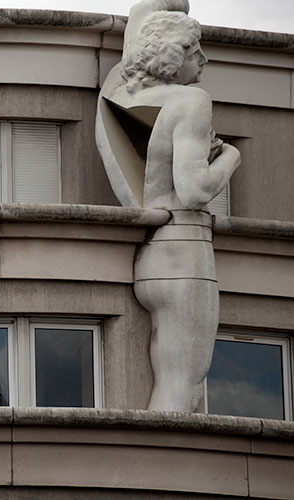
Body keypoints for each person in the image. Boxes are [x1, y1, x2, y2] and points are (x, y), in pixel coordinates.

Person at [96, 0, 240, 412]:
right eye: (195, 51)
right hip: (188, 250)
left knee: (172, 377)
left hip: (152, 256)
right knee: (184, 382)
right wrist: (230, 156)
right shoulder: (191, 101)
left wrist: (169, 10)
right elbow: (194, 190)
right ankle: (170, 473)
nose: (204, 59)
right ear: (173, 56)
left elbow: (144, 21)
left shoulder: (117, 95)